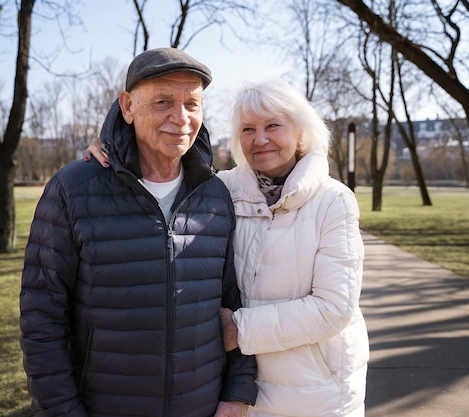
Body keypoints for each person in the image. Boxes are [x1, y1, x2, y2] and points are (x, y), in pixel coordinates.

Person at [85, 78, 369, 417]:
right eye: (248, 129)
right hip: (238, 394)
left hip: (315, 394)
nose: (259, 139)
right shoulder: (221, 190)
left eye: (273, 126)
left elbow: (333, 308)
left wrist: (238, 329)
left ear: (300, 131)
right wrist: (114, 144)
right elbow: (156, 163)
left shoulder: (334, 201)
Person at [20, 48, 258, 417]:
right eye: (163, 101)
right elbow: (41, 321)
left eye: (192, 104)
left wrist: (237, 393)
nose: (181, 118)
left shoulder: (216, 195)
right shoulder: (73, 190)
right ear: (128, 107)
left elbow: (234, 304)